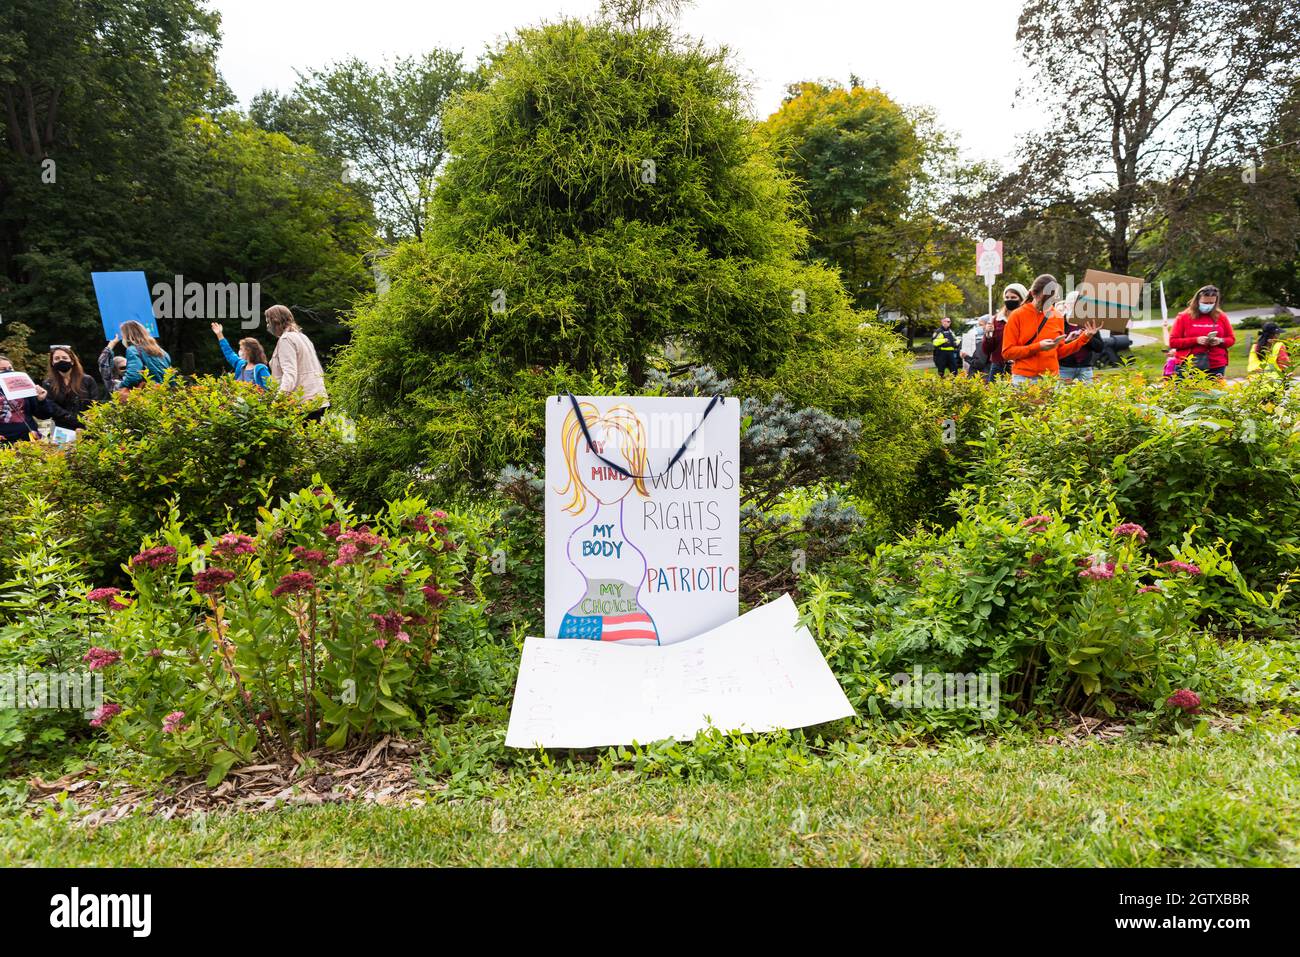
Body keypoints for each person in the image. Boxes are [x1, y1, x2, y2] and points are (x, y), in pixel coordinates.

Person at [1001, 274, 1102, 386]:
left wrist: (1085, 337)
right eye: (1045, 299)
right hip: (1024, 379)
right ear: (1033, 294)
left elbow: (1059, 353)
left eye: (1052, 300)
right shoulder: (1017, 315)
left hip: (1051, 379)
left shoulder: (1057, 316)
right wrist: (1038, 347)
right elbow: (1007, 353)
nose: (1048, 304)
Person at [264, 305, 329, 419]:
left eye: (268, 322)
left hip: (302, 403)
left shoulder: (286, 340)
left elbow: (290, 374)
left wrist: (277, 401)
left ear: (276, 321)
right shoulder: (302, 337)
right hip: (317, 400)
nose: (268, 326)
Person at [1169, 285, 1234, 379]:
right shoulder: (1183, 317)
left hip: (1216, 365)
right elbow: (1173, 342)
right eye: (1205, 302)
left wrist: (1220, 341)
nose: (1208, 305)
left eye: (1211, 303)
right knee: (1187, 392)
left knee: (1214, 393)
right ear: (1197, 301)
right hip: (1189, 365)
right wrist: (1196, 340)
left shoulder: (1221, 316)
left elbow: (1231, 339)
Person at [42, 345, 99, 430]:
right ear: (52, 363)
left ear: (72, 361)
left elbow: (95, 402)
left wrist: (87, 421)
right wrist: (74, 420)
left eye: (64, 358)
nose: (61, 360)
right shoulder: (48, 384)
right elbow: (52, 407)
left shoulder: (88, 380)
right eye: (57, 358)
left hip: (87, 426)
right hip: (62, 429)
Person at [0, 354, 54, 444]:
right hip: (3, 443)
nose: (8, 371)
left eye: (10, 368)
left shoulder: (23, 387)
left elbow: (44, 415)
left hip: (29, 440)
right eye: (2, 369)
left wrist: (42, 400)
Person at [1054, 292, 1104, 384]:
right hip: (1064, 369)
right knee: (1061, 396)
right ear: (1066, 306)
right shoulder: (1058, 322)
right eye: (1072, 303)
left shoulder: (1088, 322)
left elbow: (1099, 347)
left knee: (1089, 397)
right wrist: (1068, 340)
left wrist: (1087, 336)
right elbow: (1054, 348)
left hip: (1085, 368)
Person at [982, 282, 1028, 381]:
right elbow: (987, 350)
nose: (1009, 300)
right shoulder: (997, 320)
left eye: (1013, 297)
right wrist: (988, 335)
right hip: (998, 365)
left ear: (1022, 299)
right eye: (1007, 298)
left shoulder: (1029, 318)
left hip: (1021, 365)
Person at [211, 323, 271, 389]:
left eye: (241, 349)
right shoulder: (241, 364)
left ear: (249, 351)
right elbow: (229, 353)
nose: (240, 351)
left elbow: (269, 388)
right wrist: (219, 335)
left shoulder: (261, 369)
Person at [117, 321, 174, 387]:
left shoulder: (133, 350)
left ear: (128, 336)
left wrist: (120, 385)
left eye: (122, 336)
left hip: (149, 393)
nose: (122, 339)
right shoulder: (162, 351)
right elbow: (171, 376)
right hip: (164, 392)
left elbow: (133, 377)